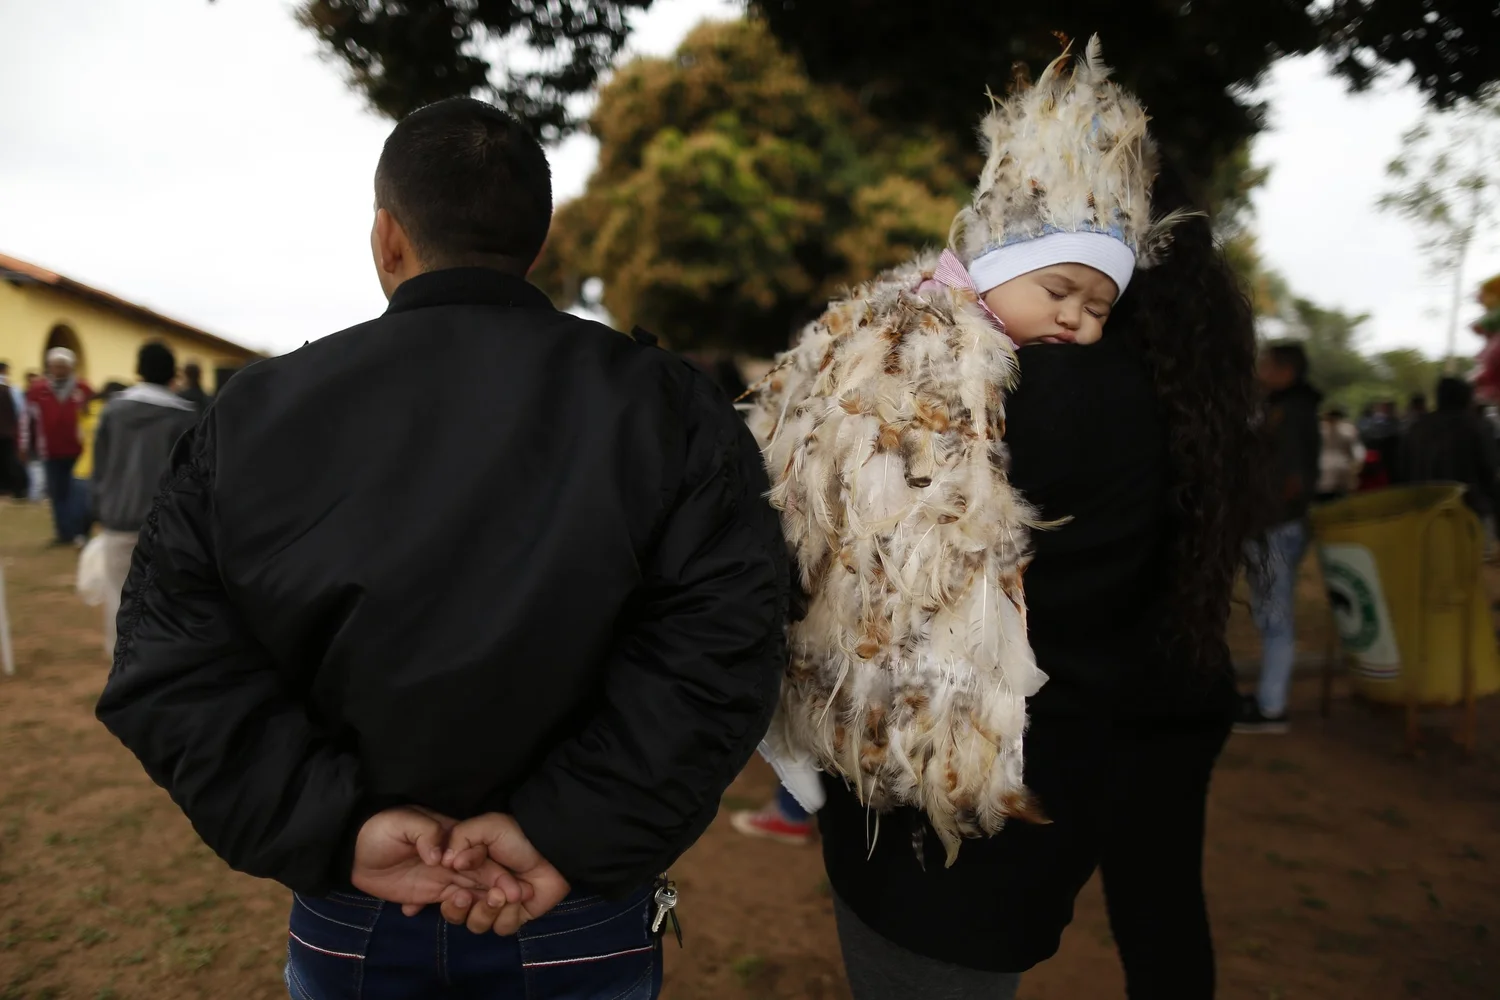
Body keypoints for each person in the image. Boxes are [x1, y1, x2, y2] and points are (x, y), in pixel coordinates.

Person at [94, 97, 787, 999]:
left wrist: (342, 829)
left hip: (376, 900)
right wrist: (561, 826)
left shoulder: (254, 415)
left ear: (387, 237)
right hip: (570, 904)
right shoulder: (667, 407)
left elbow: (173, 665)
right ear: (534, 246)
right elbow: (725, 646)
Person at [749, 39, 1261, 999]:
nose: (1075, 318)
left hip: (928, 824)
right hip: (1044, 804)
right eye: (1060, 291)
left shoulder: (1008, 396)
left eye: (1095, 302)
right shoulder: (1162, 412)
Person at [1238, 342, 1322, 735]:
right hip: (1274, 525)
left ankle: (1272, 707)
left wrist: (1263, 518)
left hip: (1275, 528)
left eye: (1266, 365)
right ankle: (1269, 699)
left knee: (1275, 618)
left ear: (1285, 370)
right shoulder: (1286, 408)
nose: (1260, 371)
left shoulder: (1290, 413)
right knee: (1271, 614)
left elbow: (1291, 479)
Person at [89, 348, 196, 654]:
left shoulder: (112, 411)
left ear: (138, 369)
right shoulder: (185, 416)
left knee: (118, 595)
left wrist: (98, 508)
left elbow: (99, 466)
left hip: (118, 517)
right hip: (167, 524)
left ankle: (120, 665)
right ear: (173, 374)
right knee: (167, 599)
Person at [1401, 377, 1500, 520]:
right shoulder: (1476, 427)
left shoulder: (1417, 428)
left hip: (1427, 512)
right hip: (1470, 511)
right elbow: (1490, 469)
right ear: (1466, 398)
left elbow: (1403, 470)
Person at [25, 347, 93, 545]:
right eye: (55, 366)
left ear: (70, 367)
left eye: (62, 366)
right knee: (57, 494)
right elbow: (27, 420)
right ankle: (63, 534)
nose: (58, 370)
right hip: (51, 451)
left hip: (79, 451)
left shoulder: (83, 388)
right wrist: (26, 445)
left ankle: (79, 531)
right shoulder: (38, 390)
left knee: (78, 494)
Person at [1317, 406, 1365, 502]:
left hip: (1325, 469)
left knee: (1325, 500)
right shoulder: (1348, 429)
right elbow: (1357, 450)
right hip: (1342, 468)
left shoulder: (1319, 429)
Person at [0, 362, 26, 499]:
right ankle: (18, 490)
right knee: (12, 460)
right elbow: (20, 410)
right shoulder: (12, 389)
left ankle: (3, 488)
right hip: (9, 430)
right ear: (5, 371)